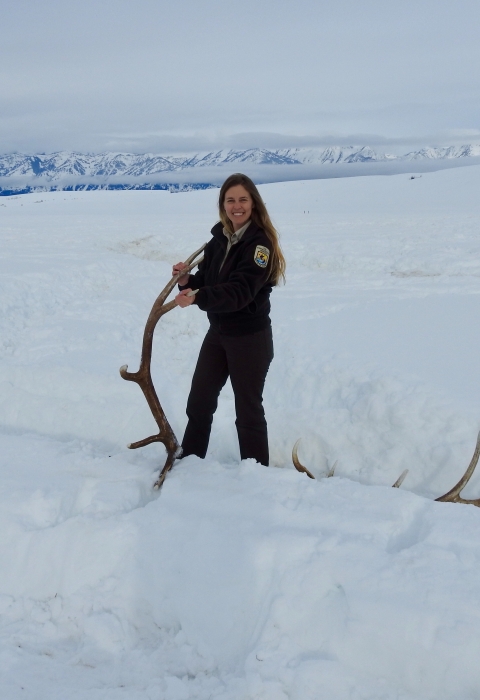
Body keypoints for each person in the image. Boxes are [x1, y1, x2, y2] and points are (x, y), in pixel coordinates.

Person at [172, 173, 286, 467]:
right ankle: (190, 463)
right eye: (230, 200)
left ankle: (257, 473)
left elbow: (240, 292)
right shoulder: (218, 240)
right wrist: (186, 282)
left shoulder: (260, 246)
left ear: (253, 203)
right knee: (199, 402)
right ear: (223, 204)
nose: (237, 206)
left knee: (247, 411)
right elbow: (207, 282)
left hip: (249, 338)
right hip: (219, 333)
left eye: (243, 200)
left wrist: (198, 297)